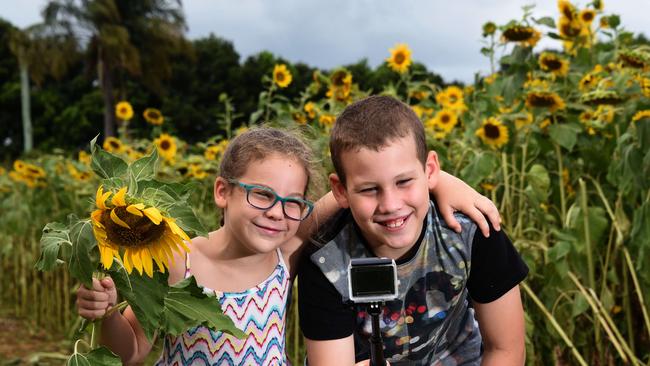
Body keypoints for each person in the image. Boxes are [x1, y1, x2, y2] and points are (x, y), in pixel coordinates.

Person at [76, 126, 502, 365]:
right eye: (261, 195)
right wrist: (107, 312)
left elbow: (355, 189)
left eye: (293, 202)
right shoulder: (178, 258)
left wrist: (442, 181)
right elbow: (130, 352)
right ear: (223, 191)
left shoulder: (286, 252)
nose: (277, 213)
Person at [298, 96, 529, 366]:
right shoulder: (326, 262)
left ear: (430, 171)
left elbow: (506, 350)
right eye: (369, 189)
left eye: (404, 181)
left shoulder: (470, 231)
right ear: (340, 190)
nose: (391, 205)